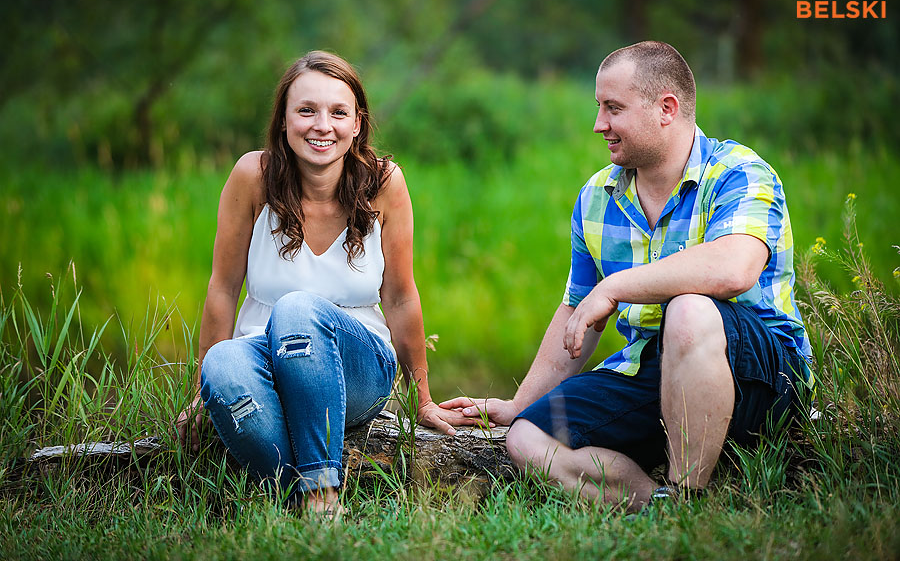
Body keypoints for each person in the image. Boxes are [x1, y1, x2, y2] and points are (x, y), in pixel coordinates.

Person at [441, 41, 812, 512]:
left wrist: (615, 286)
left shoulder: (740, 172)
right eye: (599, 107)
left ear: (667, 109)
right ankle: (659, 506)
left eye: (613, 108)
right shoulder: (598, 195)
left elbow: (734, 269)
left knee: (689, 310)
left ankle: (687, 492)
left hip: (762, 377)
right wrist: (519, 405)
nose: (600, 125)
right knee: (527, 439)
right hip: (653, 372)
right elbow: (578, 309)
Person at [175, 51, 476, 516]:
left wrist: (423, 398)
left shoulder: (384, 183)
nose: (322, 125)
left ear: (357, 123)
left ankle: (321, 494)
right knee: (223, 364)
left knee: (298, 308)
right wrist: (201, 390)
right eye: (306, 110)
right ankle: (292, 496)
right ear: (283, 120)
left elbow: (399, 296)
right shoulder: (251, 176)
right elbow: (222, 287)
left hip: (356, 367)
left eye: (339, 112)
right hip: (264, 362)